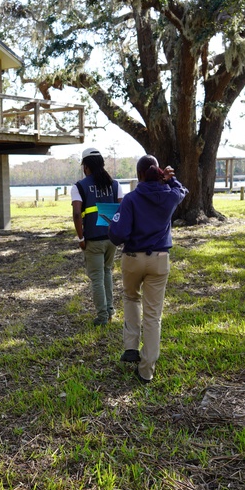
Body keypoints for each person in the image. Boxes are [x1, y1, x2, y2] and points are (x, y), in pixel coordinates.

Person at [108, 155, 187, 383]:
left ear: (139, 174)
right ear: (158, 172)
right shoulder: (169, 196)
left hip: (133, 258)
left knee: (131, 298)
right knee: (153, 316)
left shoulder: (131, 199)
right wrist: (169, 179)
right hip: (160, 260)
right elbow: (181, 190)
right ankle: (146, 370)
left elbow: (118, 235)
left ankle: (131, 346)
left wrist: (114, 224)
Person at [72, 147, 124, 325]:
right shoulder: (114, 184)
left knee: (97, 279)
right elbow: (122, 210)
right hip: (111, 238)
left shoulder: (79, 186)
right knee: (107, 273)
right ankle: (110, 310)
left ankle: (102, 317)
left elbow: (77, 214)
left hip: (93, 240)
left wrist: (81, 238)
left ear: (86, 166)